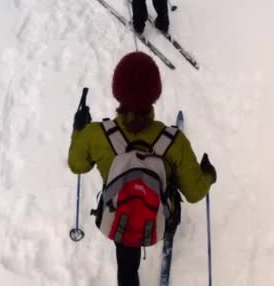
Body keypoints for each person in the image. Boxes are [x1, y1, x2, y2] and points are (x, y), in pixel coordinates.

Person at [68, 52, 217, 286]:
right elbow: (195, 192)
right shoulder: (174, 142)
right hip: (160, 212)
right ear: (154, 94)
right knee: (172, 195)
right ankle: (167, 228)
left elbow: (77, 164)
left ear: (118, 92)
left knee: (126, 264)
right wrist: (208, 175)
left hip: (119, 215)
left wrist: (79, 128)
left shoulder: (96, 134)